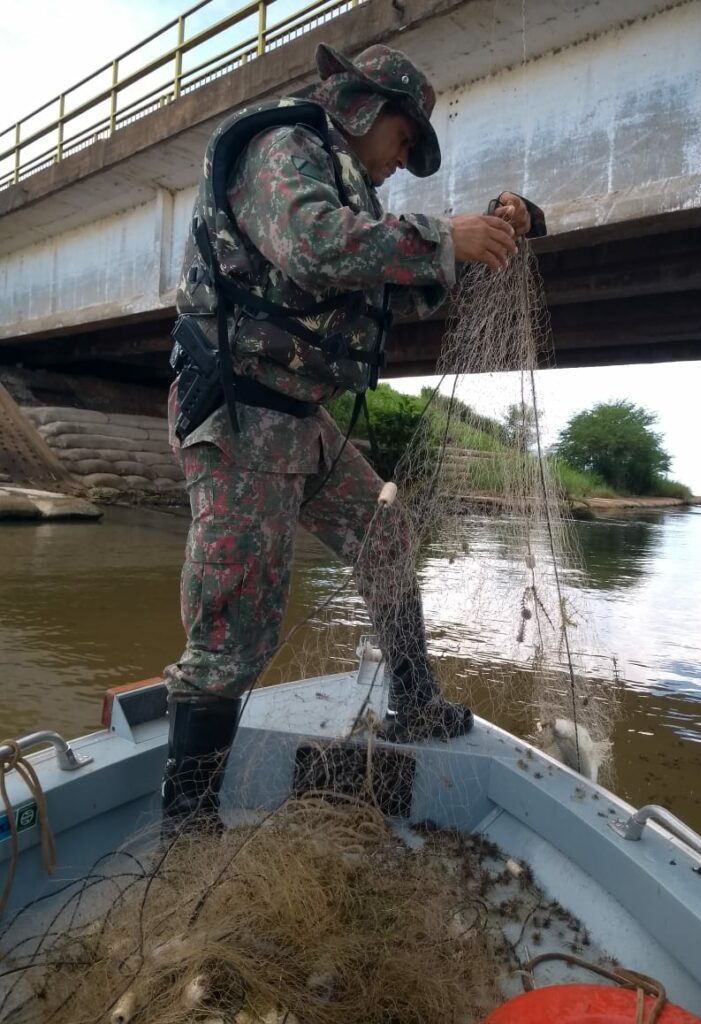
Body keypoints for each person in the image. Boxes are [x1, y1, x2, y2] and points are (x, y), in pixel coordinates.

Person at [161, 42, 545, 831]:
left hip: (302, 417)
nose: (401, 164)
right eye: (404, 142)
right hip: (239, 411)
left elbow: (399, 291)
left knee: (385, 529)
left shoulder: (359, 199)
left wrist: (492, 241)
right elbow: (313, 243)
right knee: (236, 620)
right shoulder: (284, 151)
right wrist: (446, 235)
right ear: (367, 109)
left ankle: (414, 703)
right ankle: (187, 821)